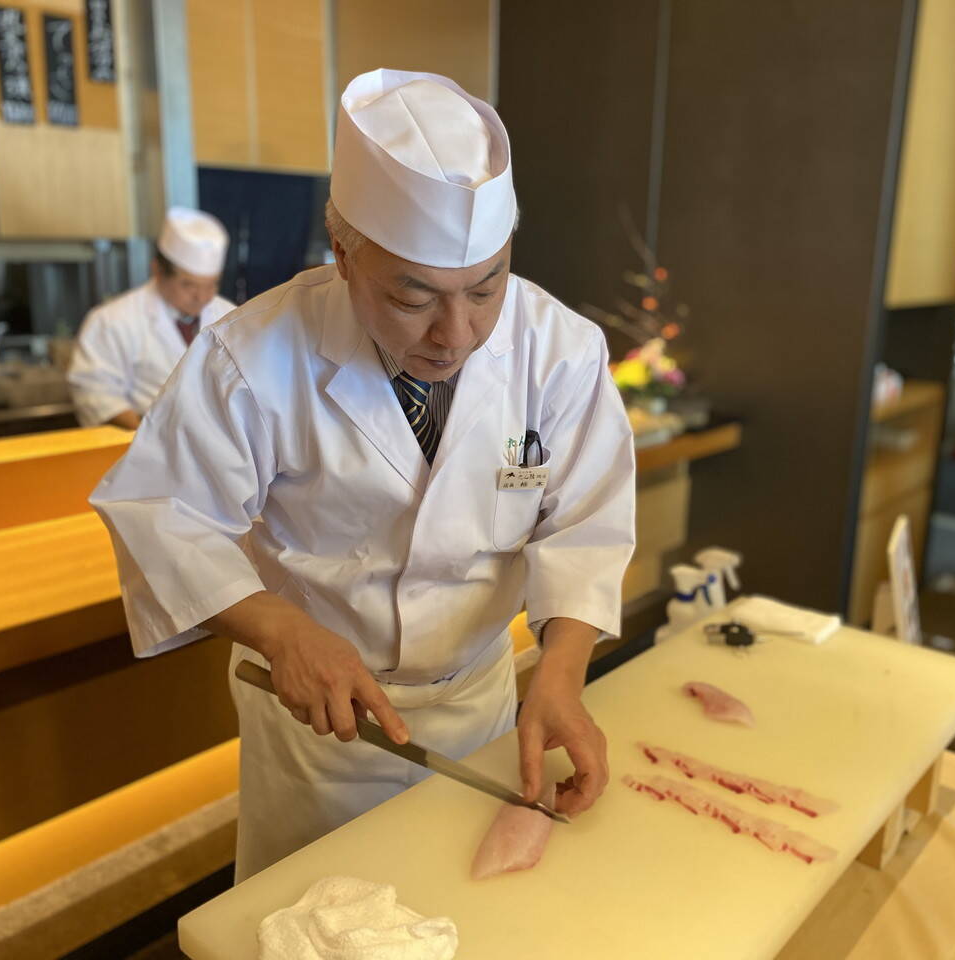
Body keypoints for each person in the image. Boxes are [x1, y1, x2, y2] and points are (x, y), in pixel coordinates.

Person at [89, 68, 636, 881]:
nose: (456, 335)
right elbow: (162, 511)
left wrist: (560, 675)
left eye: (485, 289)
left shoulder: (562, 352)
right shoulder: (251, 354)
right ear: (343, 254)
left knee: (470, 908)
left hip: (480, 708)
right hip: (322, 729)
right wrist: (280, 630)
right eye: (414, 298)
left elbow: (586, 523)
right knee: (311, 915)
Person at [68, 208, 233, 429]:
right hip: (143, 440)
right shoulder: (111, 321)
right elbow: (95, 394)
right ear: (157, 271)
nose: (202, 297)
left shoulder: (231, 317)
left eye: (211, 285)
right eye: (189, 285)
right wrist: (147, 437)